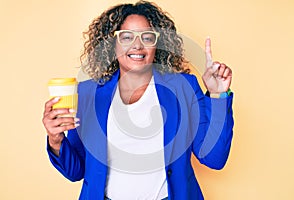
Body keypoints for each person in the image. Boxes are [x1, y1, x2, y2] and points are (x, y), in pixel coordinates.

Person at [42, 1, 234, 199]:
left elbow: (214, 158)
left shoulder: (183, 87)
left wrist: (218, 95)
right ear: (112, 44)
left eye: (147, 37)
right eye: (126, 37)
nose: (137, 45)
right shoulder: (87, 93)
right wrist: (56, 139)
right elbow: (76, 171)